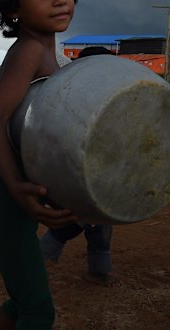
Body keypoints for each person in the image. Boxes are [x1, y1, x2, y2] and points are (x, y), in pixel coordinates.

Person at [0, 0, 88, 329]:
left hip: (10, 202)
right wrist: (18, 191)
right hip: (4, 205)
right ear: (13, 9)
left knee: (22, 306)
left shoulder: (46, 50)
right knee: (38, 312)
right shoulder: (30, 50)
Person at [38, 45, 120, 289]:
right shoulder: (71, 94)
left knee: (99, 223)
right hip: (74, 169)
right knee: (80, 218)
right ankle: (40, 256)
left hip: (100, 169)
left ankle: (98, 269)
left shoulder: (111, 93)